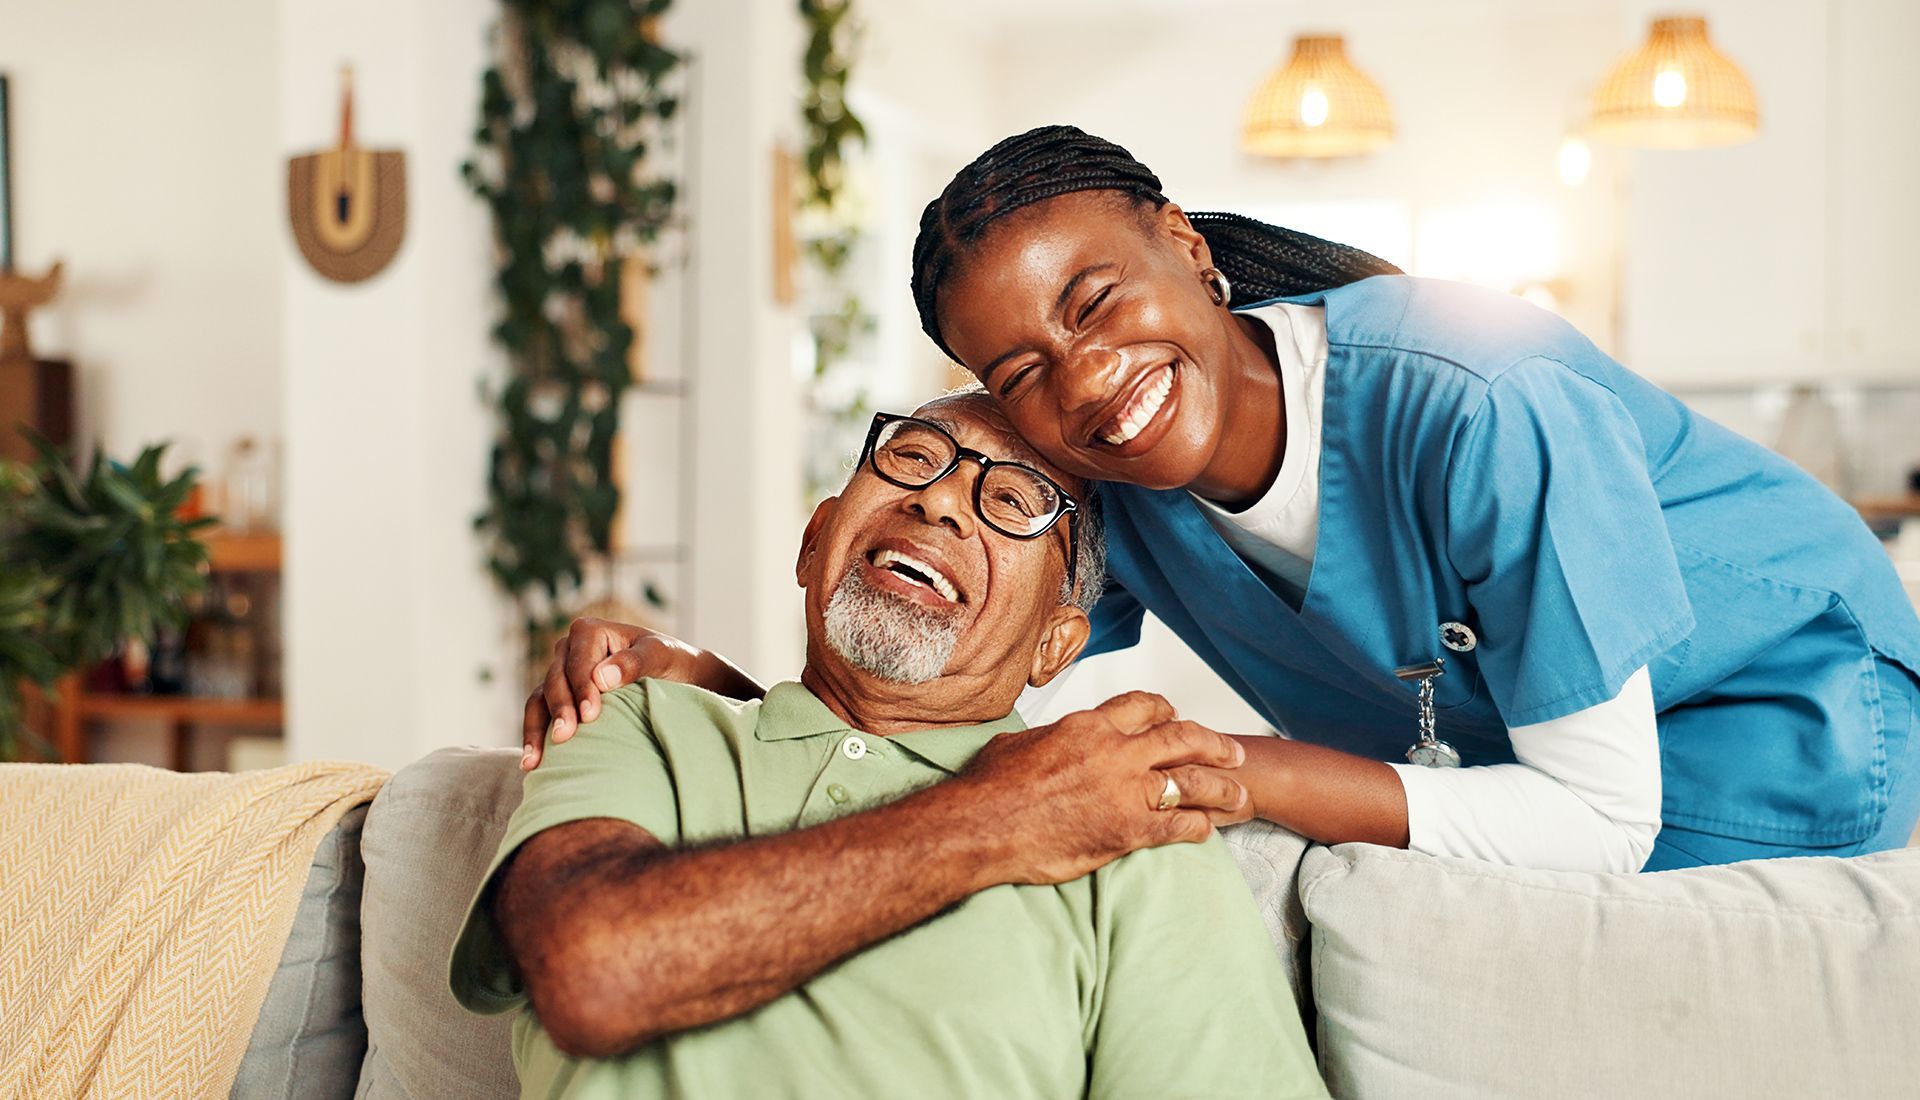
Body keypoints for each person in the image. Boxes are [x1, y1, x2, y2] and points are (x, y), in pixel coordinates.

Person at [528, 125, 1920, 874]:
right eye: (1023, 369)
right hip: (1517, 767)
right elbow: (939, 711)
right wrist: (691, 682)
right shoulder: (1121, 488)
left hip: (1786, 718)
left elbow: (1597, 824)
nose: (1088, 382)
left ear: (1186, 248)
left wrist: (1232, 768)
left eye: (1098, 300)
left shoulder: (1477, 399)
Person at [452, 390, 1328, 1100]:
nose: (941, 500)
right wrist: (1002, 818)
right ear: (813, 542)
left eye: (1014, 502)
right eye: (911, 457)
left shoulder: (1132, 832)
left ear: (1056, 644)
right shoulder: (640, 717)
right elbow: (591, 969)